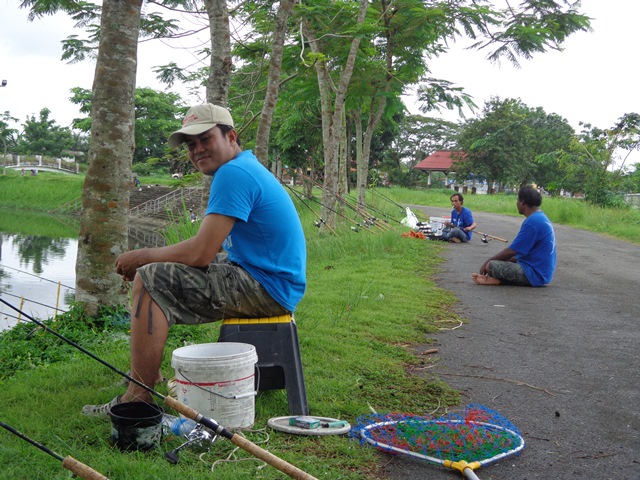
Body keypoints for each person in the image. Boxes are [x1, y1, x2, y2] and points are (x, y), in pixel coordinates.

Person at [82, 103, 307, 415]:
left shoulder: (233, 174)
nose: (197, 150)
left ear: (231, 136)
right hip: (272, 282)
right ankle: (147, 376)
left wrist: (143, 257)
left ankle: (137, 395)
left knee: (151, 278)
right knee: (156, 271)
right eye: (191, 144)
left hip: (268, 288)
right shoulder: (243, 167)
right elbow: (209, 251)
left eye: (205, 139)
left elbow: (201, 252)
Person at [472, 185, 556, 287]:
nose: (517, 203)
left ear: (523, 202)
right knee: (498, 263)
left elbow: (512, 251)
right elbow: (518, 254)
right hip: (541, 273)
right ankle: (496, 279)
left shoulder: (533, 222)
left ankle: (499, 281)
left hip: (535, 274)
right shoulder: (540, 217)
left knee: (491, 266)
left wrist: (487, 263)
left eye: (517, 200)